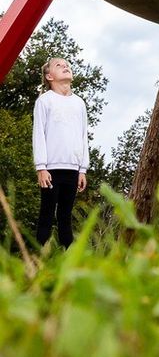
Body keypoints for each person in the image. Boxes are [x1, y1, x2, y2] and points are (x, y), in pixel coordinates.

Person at [33, 57, 89, 248]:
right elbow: (38, 134)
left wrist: (83, 169)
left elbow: (83, 137)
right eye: (59, 65)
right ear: (49, 76)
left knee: (65, 216)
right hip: (51, 169)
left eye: (67, 65)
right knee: (46, 215)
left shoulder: (79, 103)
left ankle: (68, 261)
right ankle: (36, 261)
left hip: (73, 169)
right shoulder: (44, 101)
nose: (66, 66)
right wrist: (41, 167)